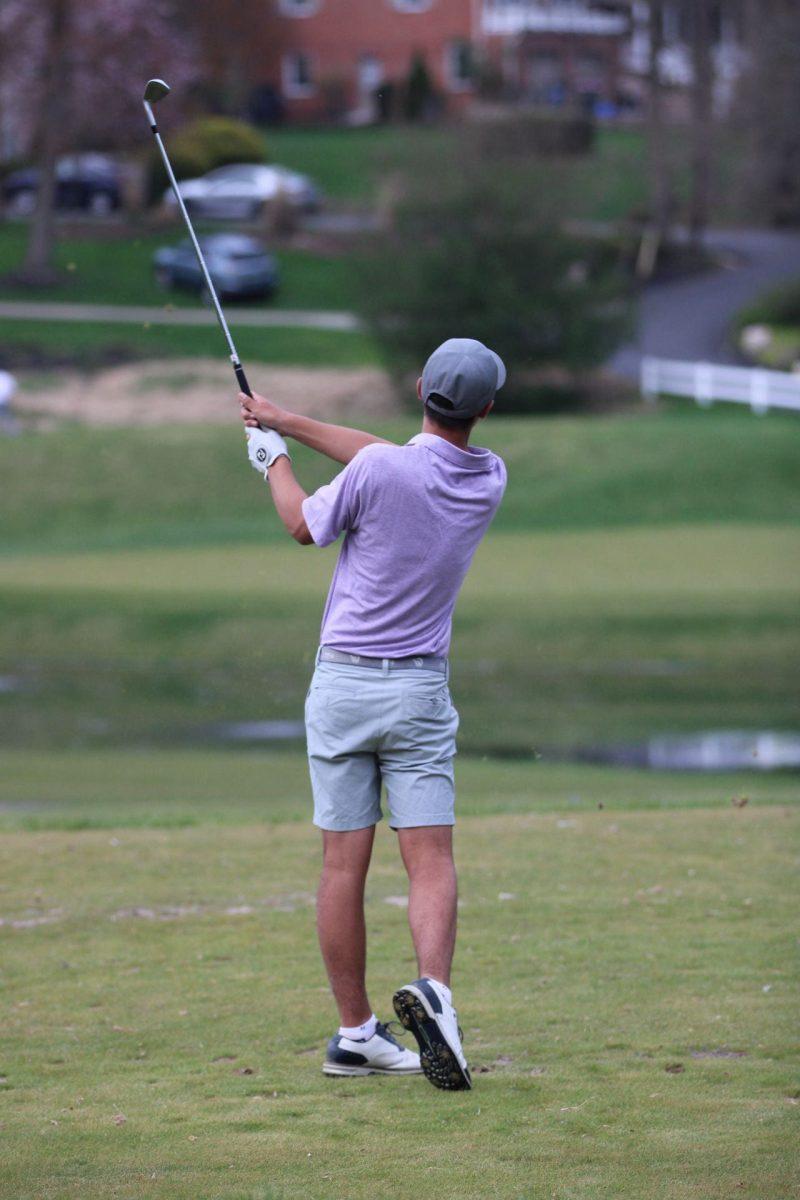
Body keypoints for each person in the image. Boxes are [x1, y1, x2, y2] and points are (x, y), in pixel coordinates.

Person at [240, 338, 507, 1091]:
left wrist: (273, 460)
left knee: (340, 867)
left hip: (343, 690)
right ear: (486, 409)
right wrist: (286, 420)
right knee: (431, 859)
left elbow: (303, 524)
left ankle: (356, 1032)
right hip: (419, 693)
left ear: (419, 384)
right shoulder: (488, 477)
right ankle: (438, 999)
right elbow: (391, 457)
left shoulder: (379, 470)